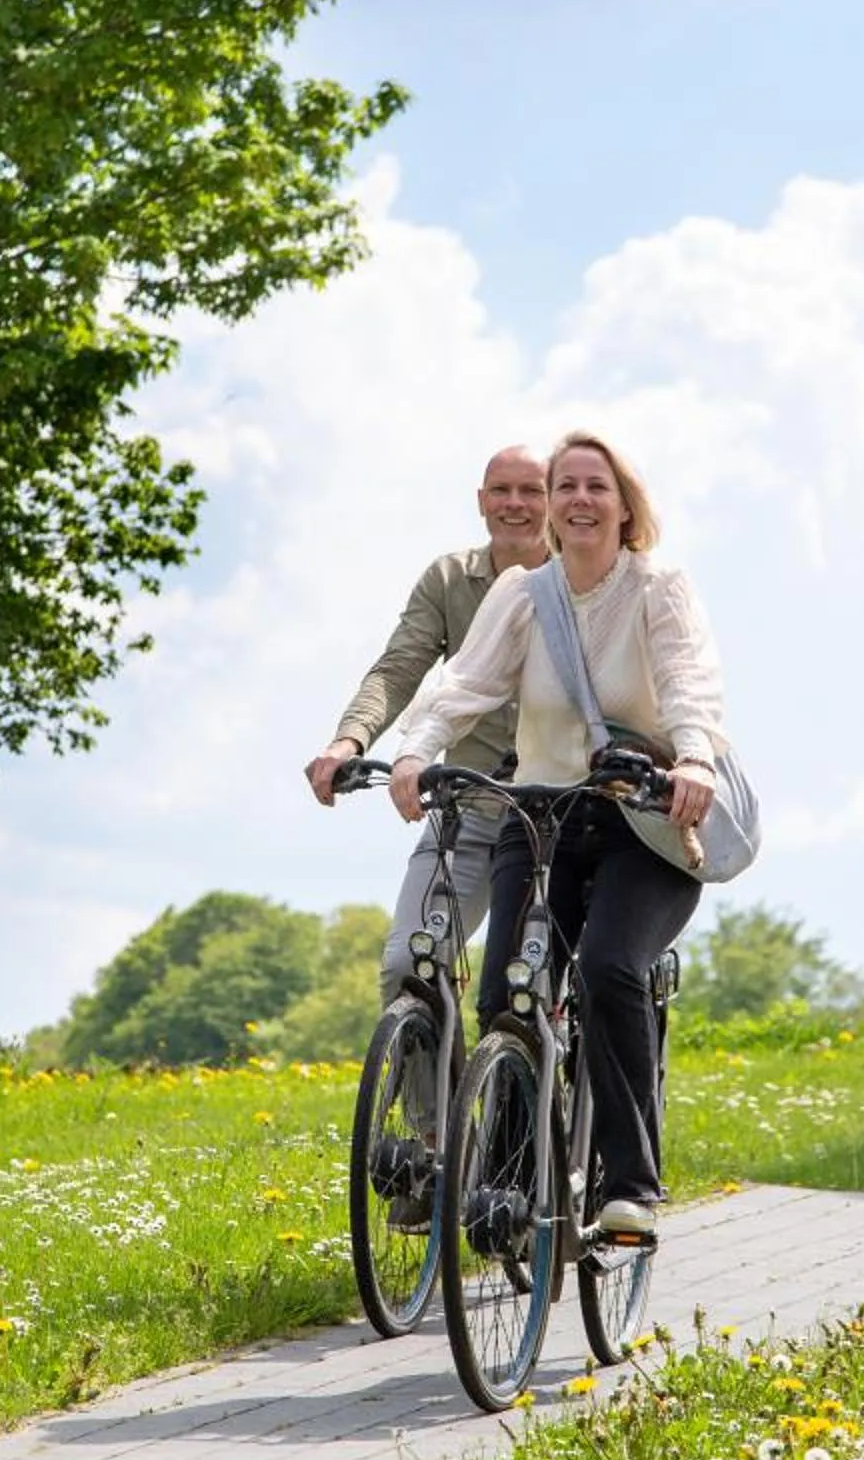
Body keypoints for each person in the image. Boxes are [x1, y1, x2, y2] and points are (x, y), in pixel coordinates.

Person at [384, 433, 724, 1240]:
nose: (578, 500)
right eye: (565, 485)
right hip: (542, 816)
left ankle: (630, 1188)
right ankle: (507, 1191)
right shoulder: (523, 594)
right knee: (507, 995)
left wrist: (695, 759)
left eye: (595, 487)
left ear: (625, 505)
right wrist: (414, 752)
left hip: (641, 820)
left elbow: (689, 685)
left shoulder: (657, 588)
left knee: (607, 969)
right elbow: (464, 684)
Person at [305, 445, 549, 1006]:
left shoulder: (577, 579)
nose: (514, 504)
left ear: (553, 501)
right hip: (470, 806)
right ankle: (428, 1065)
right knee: (406, 966)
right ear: (481, 501)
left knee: (531, 985)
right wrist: (348, 740)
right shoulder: (449, 579)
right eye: (501, 491)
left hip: (557, 813)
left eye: (531, 491)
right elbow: (398, 668)